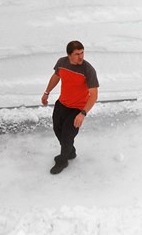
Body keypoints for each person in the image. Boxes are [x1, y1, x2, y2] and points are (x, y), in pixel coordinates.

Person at [41, 41, 99, 174]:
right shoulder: (62, 63)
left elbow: (94, 95)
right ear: (69, 55)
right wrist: (46, 92)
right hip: (62, 104)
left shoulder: (88, 70)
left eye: (82, 52)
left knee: (67, 136)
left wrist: (82, 113)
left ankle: (62, 160)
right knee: (58, 130)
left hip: (77, 109)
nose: (81, 57)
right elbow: (56, 77)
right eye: (77, 54)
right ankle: (70, 152)